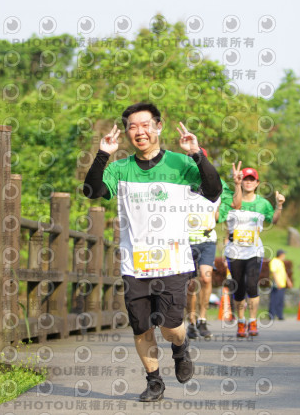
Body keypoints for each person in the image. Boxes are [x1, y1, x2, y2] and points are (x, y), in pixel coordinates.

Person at [83, 102, 222, 402]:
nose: (139, 131)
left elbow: (213, 191)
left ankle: (180, 349)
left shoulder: (179, 164)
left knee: (171, 327)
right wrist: (103, 154)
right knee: (141, 327)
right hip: (135, 264)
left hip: (172, 262)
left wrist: (197, 155)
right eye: (133, 126)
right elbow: (92, 191)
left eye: (145, 124)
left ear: (158, 127)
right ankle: (154, 381)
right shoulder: (121, 168)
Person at [219, 166, 285, 337]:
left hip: (254, 251)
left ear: (257, 183)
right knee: (239, 289)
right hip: (234, 252)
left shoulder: (262, 203)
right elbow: (226, 225)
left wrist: (279, 206)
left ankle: (253, 321)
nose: (248, 182)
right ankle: (241, 322)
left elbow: (274, 220)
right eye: (245, 179)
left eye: (251, 179)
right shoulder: (231, 200)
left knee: (251, 286)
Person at [185, 154, 238, 340]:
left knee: (206, 278)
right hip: (186, 240)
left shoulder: (216, 183)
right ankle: (190, 321)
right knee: (190, 283)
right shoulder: (181, 180)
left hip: (207, 239)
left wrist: (237, 184)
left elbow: (235, 203)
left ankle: (202, 319)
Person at [269, 249, 293, 320]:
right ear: (281, 255)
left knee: (280, 300)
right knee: (274, 300)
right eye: (284, 254)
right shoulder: (274, 261)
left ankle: (280, 315)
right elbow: (273, 272)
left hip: (282, 284)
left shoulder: (281, 262)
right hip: (277, 284)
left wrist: (288, 281)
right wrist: (277, 282)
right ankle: (272, 315)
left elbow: (284, 273)